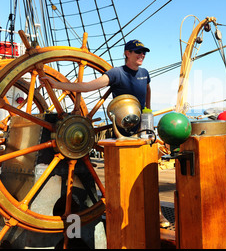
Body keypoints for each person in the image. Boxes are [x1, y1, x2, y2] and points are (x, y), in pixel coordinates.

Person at [40, 39, 170, 228]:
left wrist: (147, 111)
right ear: (127, 53)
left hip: (143, 131)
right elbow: (86, 87)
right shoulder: (116, 73)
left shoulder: (144, 73)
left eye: (143, 52)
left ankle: (157, 214)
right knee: (124, 178)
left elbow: (147, 90)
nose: (141, 55)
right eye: (137, 52)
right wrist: (56, 85)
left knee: (149, 174)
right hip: (123, 133)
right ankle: (125, 218)